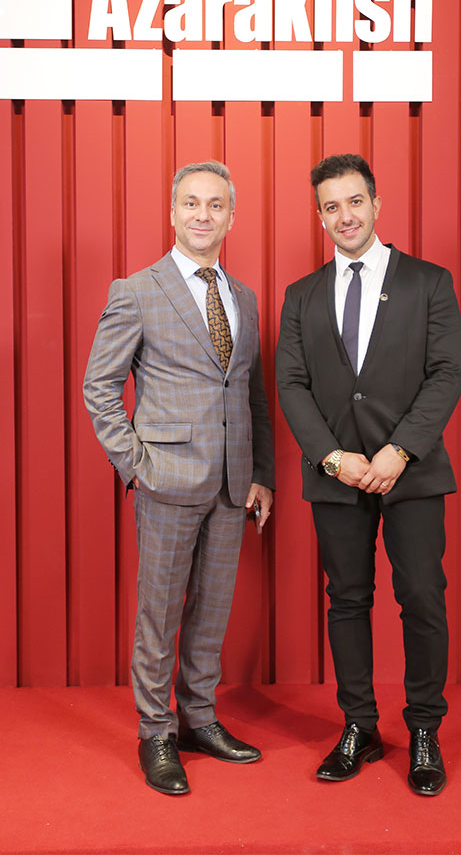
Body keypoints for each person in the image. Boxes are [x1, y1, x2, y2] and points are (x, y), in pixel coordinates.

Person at [276, 154, 461, 796]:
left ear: (376, 205)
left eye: (354, 201)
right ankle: (359, 725)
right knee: (347, 600)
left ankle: (425, 730)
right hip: (337, 474)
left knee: (422, 597)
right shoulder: (300, 295)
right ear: (320, 216)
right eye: (331, 206)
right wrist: (333, 457)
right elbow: (291, 384)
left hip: (411, 471)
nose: (345, 216)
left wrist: (399, 450)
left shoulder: (428, 282)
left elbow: (448, 371)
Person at [83, 160, 275, 796]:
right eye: (191, 203)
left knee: (212, 612)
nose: (202, 215)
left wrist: (261, 473)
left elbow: (251, 395)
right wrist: (136, 465)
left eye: (215, 205)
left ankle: (198, 718)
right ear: (172, 213)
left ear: (231, 217)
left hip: (233, 484)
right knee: (159, 614)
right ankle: (156, 731)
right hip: (166, 480)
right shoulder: (137, 291)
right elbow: (99, 387)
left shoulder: (243, 297)